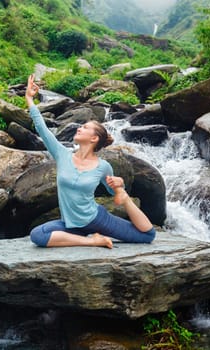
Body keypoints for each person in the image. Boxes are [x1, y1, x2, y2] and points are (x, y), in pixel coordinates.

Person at [25, 74, 156, 249]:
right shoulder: (62, 154)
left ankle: (94, 233)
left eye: (85, 127)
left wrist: (120, 186)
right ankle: (91, 240)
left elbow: (114, 193)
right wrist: (29, 99)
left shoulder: (103, 167)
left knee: (147, 235)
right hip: (70, 225)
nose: (79, 127)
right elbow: (42, 129)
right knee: (38, 235)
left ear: (94, 139)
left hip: (97, 219)